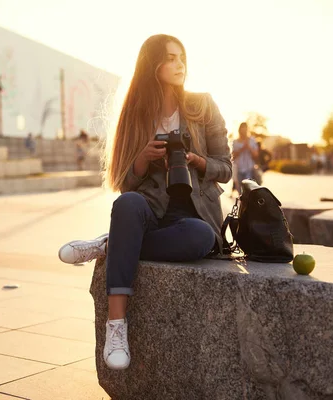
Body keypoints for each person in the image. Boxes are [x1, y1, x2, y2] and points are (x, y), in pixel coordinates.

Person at [57, 34, 231, 370]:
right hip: (150, 208)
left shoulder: (203, 105)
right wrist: (141, 158)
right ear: (153, 66)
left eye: (182, 57)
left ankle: (112, 244)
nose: (179, 65)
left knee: (201, 239)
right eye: (170, 58)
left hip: (193, 214)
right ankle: (116, 327)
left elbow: (226, 168)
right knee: (127, 206)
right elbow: (124, 184)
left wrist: (196, 161)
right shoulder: (136, 114)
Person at [232, 122, 259, 193]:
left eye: (245, 129)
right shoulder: (235, 142)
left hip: (249, 169)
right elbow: (233, 156)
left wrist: (249, 147)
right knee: (240, 191)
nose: (244, 131)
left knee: (249, 191)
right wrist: (242, 148)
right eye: (242, 129)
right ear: (239, 130)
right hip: (238, 169)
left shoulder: (252, 140)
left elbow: (256, 154)